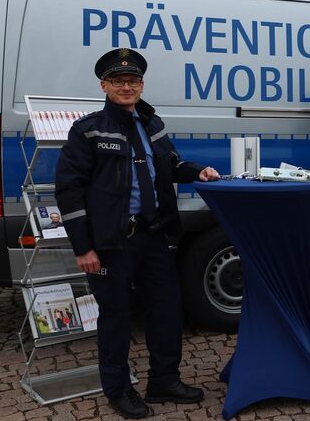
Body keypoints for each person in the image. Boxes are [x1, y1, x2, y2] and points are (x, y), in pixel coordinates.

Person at [56, 47, 221, 419]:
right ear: (104, 85)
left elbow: (171, 164)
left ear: (142, 85)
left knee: (167, 309)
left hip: (153, 235)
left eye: (132, 80)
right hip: (111, 241)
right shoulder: (88, 129)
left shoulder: (152, 123)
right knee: (115, 316)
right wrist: (83, 247)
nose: (126, 87)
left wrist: (197, 171)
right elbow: (68, 189)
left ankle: (164, 381)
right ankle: (118, 390)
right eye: (118, 81)